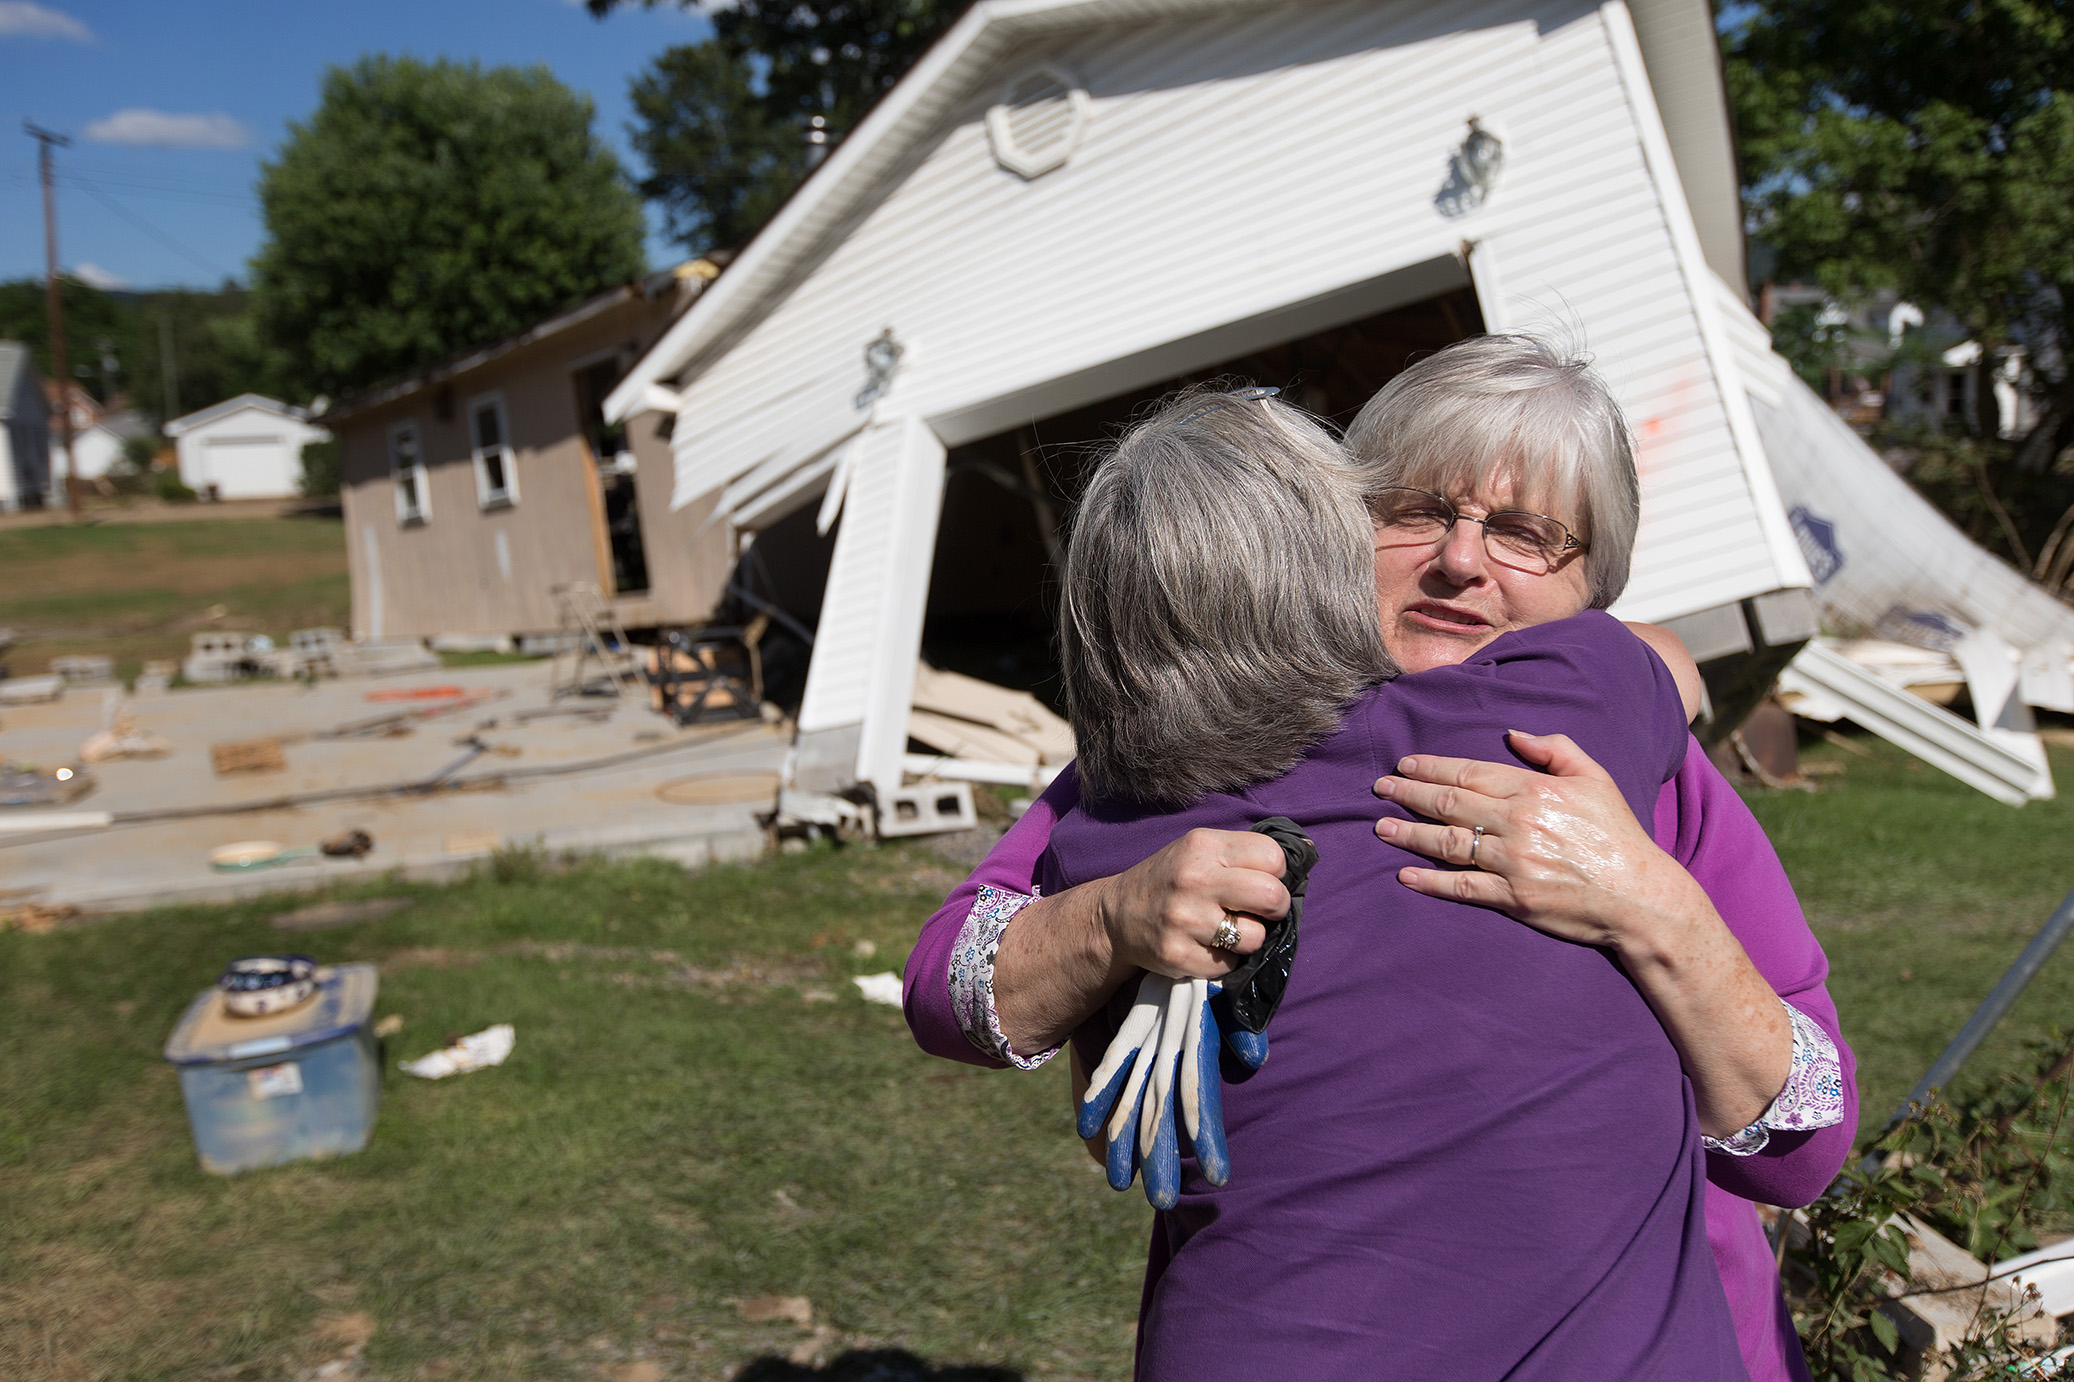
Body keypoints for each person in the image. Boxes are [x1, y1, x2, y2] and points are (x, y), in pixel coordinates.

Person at [904, 337, 1854, 1382]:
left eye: (1527, 535)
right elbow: (947, 986)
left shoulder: (1647, 774)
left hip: (1659, 1327)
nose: (1460, 559)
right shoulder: (1197, 751)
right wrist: (1115, 915)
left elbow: (1804, 1147)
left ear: (1595, 585)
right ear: (1329, 532)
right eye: (1413, 510)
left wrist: (1648, 903)